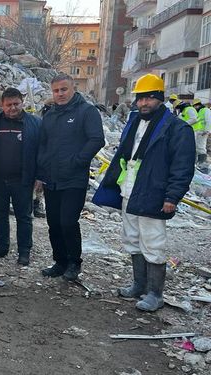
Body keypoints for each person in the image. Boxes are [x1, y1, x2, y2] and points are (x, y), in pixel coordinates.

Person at [93, 74, 195, 312]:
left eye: (150, 98)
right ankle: (139, 285)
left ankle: (155, 293)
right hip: (130, 191)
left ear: (159, 99)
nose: (144, 103)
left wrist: (172, 197)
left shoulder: (176, 128)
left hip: (154, 194)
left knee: (153, 242)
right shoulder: (135, 122)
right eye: (141, 98)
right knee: (132, 239)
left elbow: (182, 166)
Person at [37, 73, 105, 281]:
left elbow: (96, 140)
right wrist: (41, 173)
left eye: (63, 89)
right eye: (56, 90)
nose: (60, 94)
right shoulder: (50, 115)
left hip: (74, 179)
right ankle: (60, 262)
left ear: (73, 88)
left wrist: (77, 161)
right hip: (52, 178)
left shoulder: (86, 112)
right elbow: (43, 145)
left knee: (68, 222)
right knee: (54, 223)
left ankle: (74, 263)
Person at [0, 87, 41, 266]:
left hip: (23, 180)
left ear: (22, 102)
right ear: (2, 105)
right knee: (0, 214)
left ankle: (24, 251)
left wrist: (39, 177)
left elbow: (42, 152)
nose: (12, 108)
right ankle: (2, 247)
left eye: (16, 104)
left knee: (24, 216)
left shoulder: (34, 123)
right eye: (8, 105)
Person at [192, 98, 210, 170]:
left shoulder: (206, 110)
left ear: (198, 105)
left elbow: (209, 120)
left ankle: (202, 163)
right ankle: (198, 162)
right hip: (198, 132)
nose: (194, 108)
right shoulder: (199, 111)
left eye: (195, 106)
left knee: (201, 147)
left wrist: (207, 131)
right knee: (197, 147)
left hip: (203, 132)